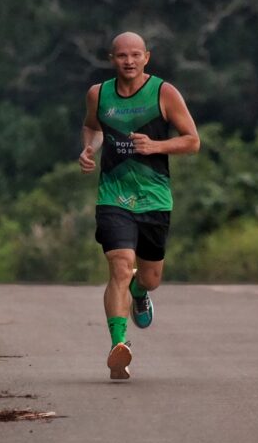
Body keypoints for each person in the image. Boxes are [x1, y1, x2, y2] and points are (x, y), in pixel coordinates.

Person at [79, 31, 200, 380]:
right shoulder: (98, 94)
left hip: (155, 197)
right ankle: (119, 346)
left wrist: (156, 147)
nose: (128, 61)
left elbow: (193, 142)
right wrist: (89, 149)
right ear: (111, 58)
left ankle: (139, 292)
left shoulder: (164, 92)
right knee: (120, 265)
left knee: (149, 277)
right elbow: (93, 128)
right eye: (121, 56)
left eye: (135, 55)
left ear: (147, 57)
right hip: (113, 195)